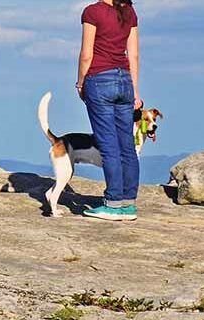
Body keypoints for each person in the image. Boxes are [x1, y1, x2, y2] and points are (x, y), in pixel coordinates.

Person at [77, 0, 142, 220]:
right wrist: (135, 91)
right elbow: (133, 55)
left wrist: (80, 83)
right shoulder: (129, 11)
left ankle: (113, 204)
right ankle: (128, 204)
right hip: (125, 81)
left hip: (100, 79)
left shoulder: (92, 12)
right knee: (127, 146)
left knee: (108, 145)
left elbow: (86, 54)